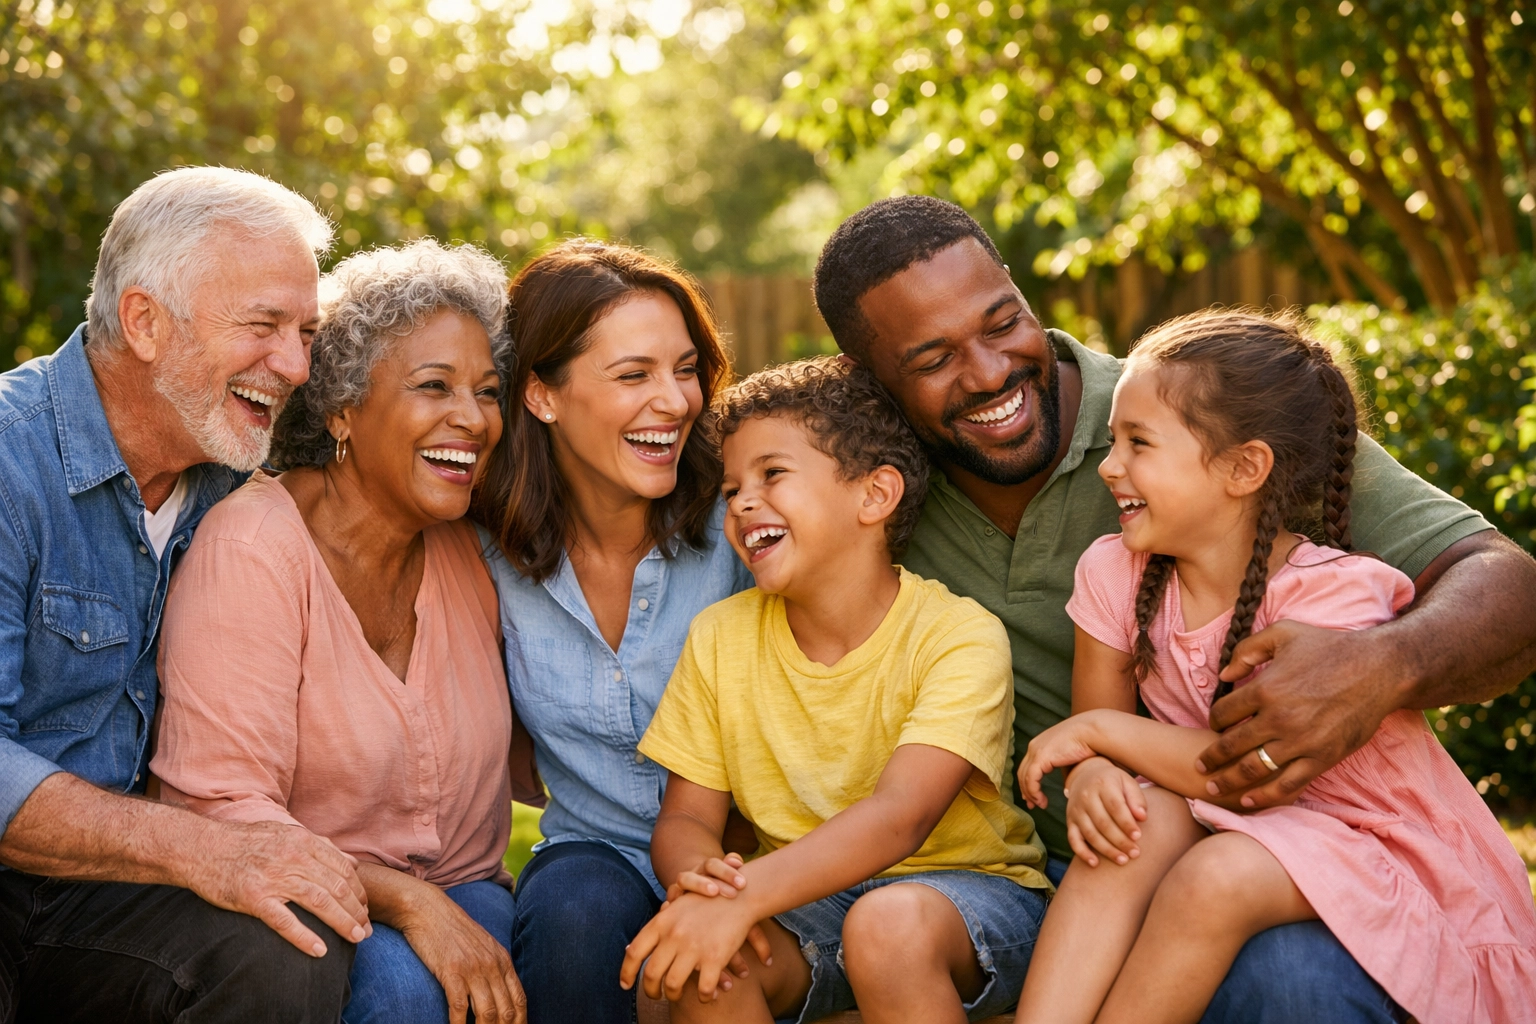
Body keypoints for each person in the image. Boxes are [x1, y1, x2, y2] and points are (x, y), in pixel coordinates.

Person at [811, 195, 1536, 1022]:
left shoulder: (1199, 407)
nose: (987, 372)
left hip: (1283, 847)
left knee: (1287, 974)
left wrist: (1384, 665)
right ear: (870, 383)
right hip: (1050, 874)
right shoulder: (870, 493)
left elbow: (1506, 583)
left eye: (1002, 321)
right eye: (933, 358)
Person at [1011, 310, 1536, 1024]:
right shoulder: (1115, 572)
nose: (1110, 465)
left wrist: (1102, 736)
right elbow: (1092, 729)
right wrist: (1097, 770)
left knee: (1216, 877)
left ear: (1243, 468)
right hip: (1227, 812)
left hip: (1372, 836)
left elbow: (1241, 773)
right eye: (1112, 440)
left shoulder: (1331, 598)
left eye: (1139, 443)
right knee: (1128, 827)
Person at [0, 166, 370, 1022]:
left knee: (293, 938)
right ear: (144, 322)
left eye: (305, 331)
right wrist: (207, 850)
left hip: (94, 893)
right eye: (264, 326)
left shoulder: (231, 473)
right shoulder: (12, 461)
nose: (294, 364)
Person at [151, 240, 539, 1024]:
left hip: (472, 894)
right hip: (305, 903)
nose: (470, 418)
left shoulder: (469, 551)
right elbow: (219, 808)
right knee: (402, 992)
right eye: (434, 387)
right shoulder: (254, 550)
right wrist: (407, 903)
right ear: (342, 410)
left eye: (487, 392)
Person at [621, 357, 1052, 1023]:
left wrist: (745, 894)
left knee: (887, 925)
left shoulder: (958, 637)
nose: (740, 502)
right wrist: (710, 889)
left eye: (771, 474)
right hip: (803, 903)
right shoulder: (720, 637)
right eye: (732, 487)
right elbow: (686, 820)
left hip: (970, 899)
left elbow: (899, 818)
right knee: (705, 970)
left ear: (875, 496)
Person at [472, 240, 752, 1023]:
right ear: (542, 396)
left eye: (686, 369)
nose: (675, 401)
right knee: (572, 912)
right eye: (634, 375)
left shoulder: (745, 524)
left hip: (757, 851)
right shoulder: (483, 551)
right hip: (595, 858)